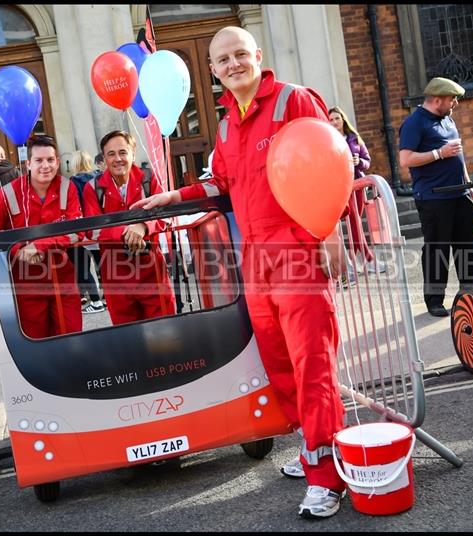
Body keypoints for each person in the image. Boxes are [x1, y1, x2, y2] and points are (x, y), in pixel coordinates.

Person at [131, 26, 347, 519]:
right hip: (255, 261)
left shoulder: (294, 100)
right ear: (212, 70)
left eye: (239, 55)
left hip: (296, 254)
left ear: (257, 56)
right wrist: (171, 197)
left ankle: (325, 476)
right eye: (222, 60)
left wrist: (331, 230)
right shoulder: (227, 123)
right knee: (279, 364)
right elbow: (222, 183)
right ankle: (314, 448)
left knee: (313, 366)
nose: (232, 65)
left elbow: (331, 162)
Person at [0, 135, 83, 338]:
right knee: (36, 346)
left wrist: (40, 245)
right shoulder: (7, 194)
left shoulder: (68, 188)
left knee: (71, 340)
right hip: (25, 284)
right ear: (28, 164)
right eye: (39, 160)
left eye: (50, 160)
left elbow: (77, 232)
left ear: (57, 162)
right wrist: (16, 251)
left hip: (62, 281)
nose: (45, 166)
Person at [398, 77, 473, 318]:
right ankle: (434, 300)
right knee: (437, 249)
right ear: (437, 99)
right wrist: (438, 153)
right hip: (433, 198)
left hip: (460, 193)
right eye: (452, 99)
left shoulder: (448, 119)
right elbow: (406, 159)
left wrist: (468, 181)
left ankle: (471, 293)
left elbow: (458, 155)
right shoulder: (414, 123)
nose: (455, 103)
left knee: (467, 247)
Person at [82, 131, 175, 325]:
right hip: (116, 275)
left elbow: (166, 215)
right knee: (129, 341)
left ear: (133, 152)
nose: (118, 159)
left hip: (152, 271)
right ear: (104, 158)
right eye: (111, 154)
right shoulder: (92, 187)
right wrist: (128, 232)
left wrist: (143, 226)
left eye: (123, 152)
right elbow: (93, 229)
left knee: (166, 334)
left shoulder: (149, 178)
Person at [328, 106, 384, 277]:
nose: (335, 122)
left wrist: (359, 161)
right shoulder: (329, 139)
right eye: (331, 120)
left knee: (356, 223)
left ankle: (355, 259)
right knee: (355, 223)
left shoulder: (354, 138)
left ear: (343, 119)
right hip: (342, 186)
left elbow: (367, 160)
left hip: (358, 185)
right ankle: (368, 259)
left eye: (337, 118)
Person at [69, 150, 105, 314]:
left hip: (84, 227)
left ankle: (96, 301)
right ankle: (109, 298)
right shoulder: (99, 178)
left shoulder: (73, 182)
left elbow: (74, 206)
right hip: (102, 226)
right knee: (103, 264)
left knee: (82, 267)